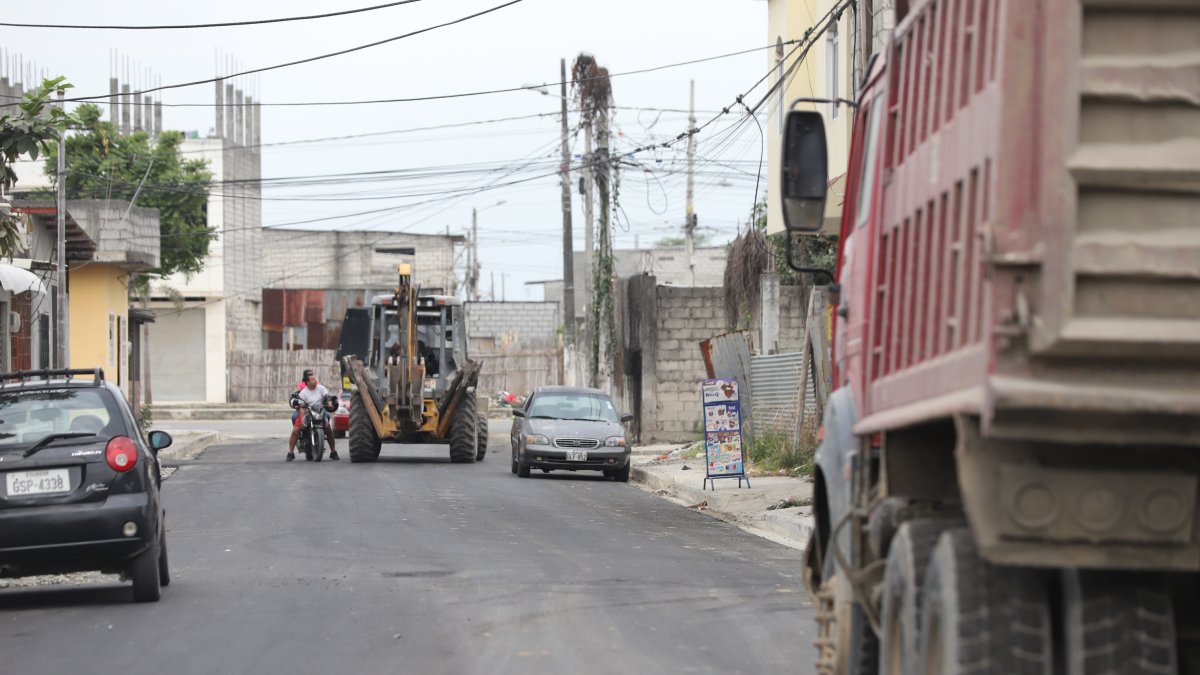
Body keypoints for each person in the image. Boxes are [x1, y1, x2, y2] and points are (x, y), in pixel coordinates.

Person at [287, 369, 339, 462]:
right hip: (308, 412)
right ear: (307, 382)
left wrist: (330, 403)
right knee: (296, 429)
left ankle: (333, 452)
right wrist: (302, 419)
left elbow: (327, 397)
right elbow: (302, 407)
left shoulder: (321, 388)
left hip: (320, 411)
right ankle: (290, 453)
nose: (315, 381)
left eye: (315, 379)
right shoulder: (303, 393)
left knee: (328, 429)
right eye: (313, 379)